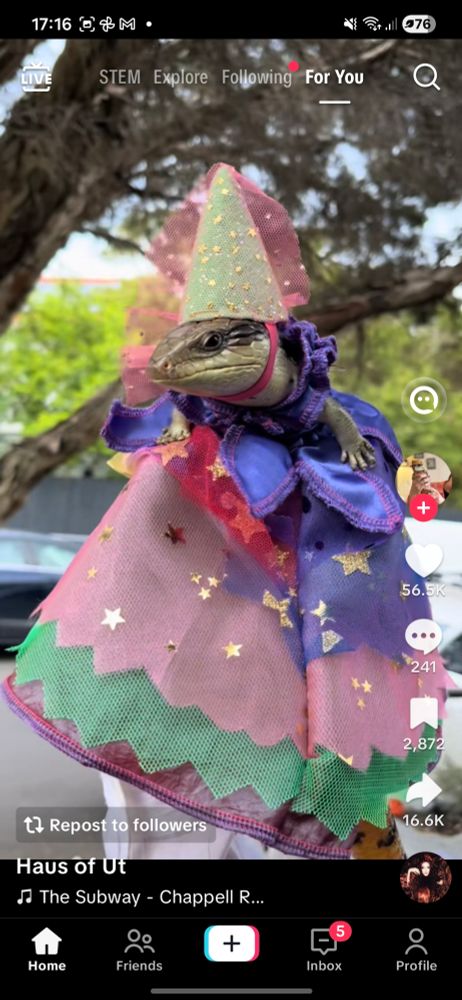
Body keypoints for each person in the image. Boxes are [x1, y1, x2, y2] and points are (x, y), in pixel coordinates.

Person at [2, 163, 453, 860]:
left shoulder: (321, 429)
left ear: (264, 342)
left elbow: (337, 431)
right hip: (190, 692)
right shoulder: (189, 451)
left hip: (301, 695)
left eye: (217, 340)